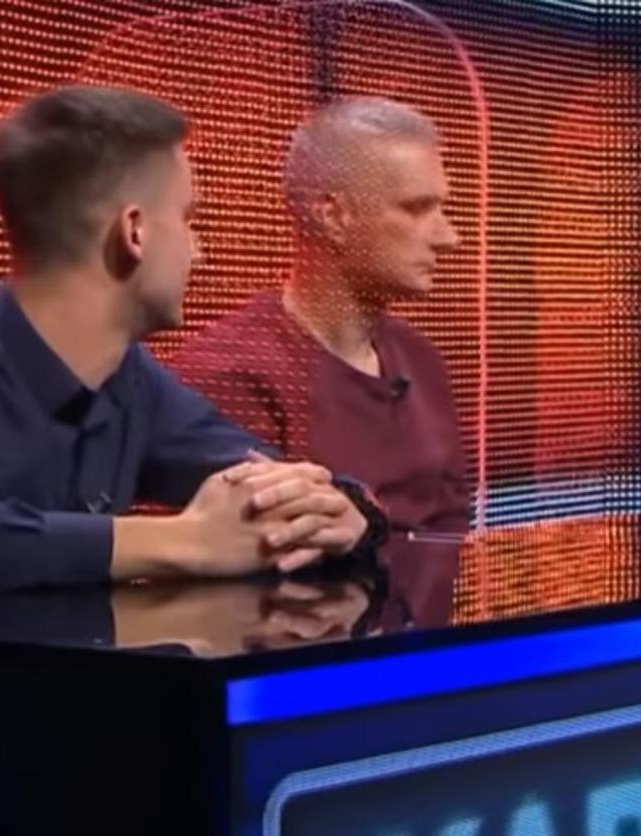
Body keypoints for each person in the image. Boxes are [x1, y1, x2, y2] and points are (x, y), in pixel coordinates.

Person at [0, 86, 382, 595]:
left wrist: (345, 509)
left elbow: (266, 474)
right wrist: (178, 543)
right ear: (134, 232)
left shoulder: (131, 379)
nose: (199, 251)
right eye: (188, 218)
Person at [169, 96, 469, 534]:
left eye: (442, 208)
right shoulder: (229, 377)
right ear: (333, 215)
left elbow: (450, 525)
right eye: (416, 209)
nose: (449, 238)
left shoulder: (420, 359)